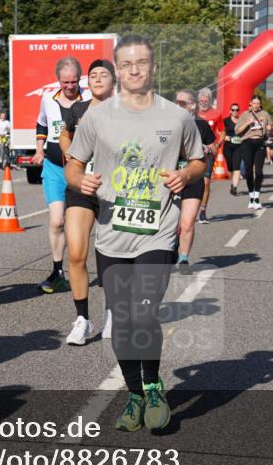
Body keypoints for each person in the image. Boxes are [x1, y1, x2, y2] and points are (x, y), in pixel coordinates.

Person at [65, 34, 204, 433]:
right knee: (123, 319)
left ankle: (154, 385)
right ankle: (135, 394)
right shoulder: (97, 117)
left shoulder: (177, 117)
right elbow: (74, 163)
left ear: (153, 66)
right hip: (112, 234)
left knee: (143, 312)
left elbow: (198, 161)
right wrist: (79, 181)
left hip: (156, 231)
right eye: (126, 64)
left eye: (141, 62)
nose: (134, 70)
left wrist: (184, 175)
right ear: (117, 70)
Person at [59, 59, 116, 345]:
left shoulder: (125, 111)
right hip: (81, 188)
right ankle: (82, 319)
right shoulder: (77, 110)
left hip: (113, 192)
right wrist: (72, 154)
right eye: (93, 75)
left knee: (111, 257)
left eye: (103, 74)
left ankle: (112, 312)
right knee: (76, 253)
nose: (97, 79)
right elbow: (64, 135)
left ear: (114, 81)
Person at [34, 56, 89, 294]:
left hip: (82, 169)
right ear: (58, 80)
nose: (69, 86)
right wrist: (39, 149)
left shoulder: (89, 99)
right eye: (65, 82)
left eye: (74, 81)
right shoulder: (48, 99)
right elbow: (41, 125)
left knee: (85, 224)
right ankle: (57, 272)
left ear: (79, 79)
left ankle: (99, 265)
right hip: (54, 167)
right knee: (57, 221)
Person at [174, 89, 217, 274]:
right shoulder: (167, 123)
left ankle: (183, 258)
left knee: (188, 222)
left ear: (192, 105)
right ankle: (172, 245)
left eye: (182, 103)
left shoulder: (201, 125)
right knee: (171, 224)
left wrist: (207, 150)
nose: (178, 105)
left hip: (193, 178)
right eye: (176, 102)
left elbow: (214, 149)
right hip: (171, 178)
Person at [234, 96, 271, 210]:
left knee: (259, 172)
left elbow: (271, 128)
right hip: (248, 143)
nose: (256, 105)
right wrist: (247, 123)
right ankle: (251, 196)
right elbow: (237, 131)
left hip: (260, 142)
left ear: (260, 104)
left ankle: (257, 198)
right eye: (254, 103)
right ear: (250, 103)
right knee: (248, 172)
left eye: (258, 103)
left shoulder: (265, 114)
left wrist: (271, 128)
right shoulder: (245, 114)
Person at [196, 86, 222, 224]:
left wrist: (216, 145)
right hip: (192, 152)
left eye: (206, 101)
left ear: (210, 100)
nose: (203, 103)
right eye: (201, 101)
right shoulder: (192, 113)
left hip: (207, 153)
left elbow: (222, 131)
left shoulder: (216, 114)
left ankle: (203, 211)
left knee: (206, 183)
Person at [223, 103, 243, 196]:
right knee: (230, 168)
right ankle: (232, 183)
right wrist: (224, 137)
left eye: (237, 110)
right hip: (228, 147)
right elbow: (219, 131)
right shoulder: (225, 121)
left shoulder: (241, 121)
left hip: (239, 147)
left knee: (237, 167)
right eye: (233, 110)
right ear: (230, 111)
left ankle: (234, 187)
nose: (235, 111)